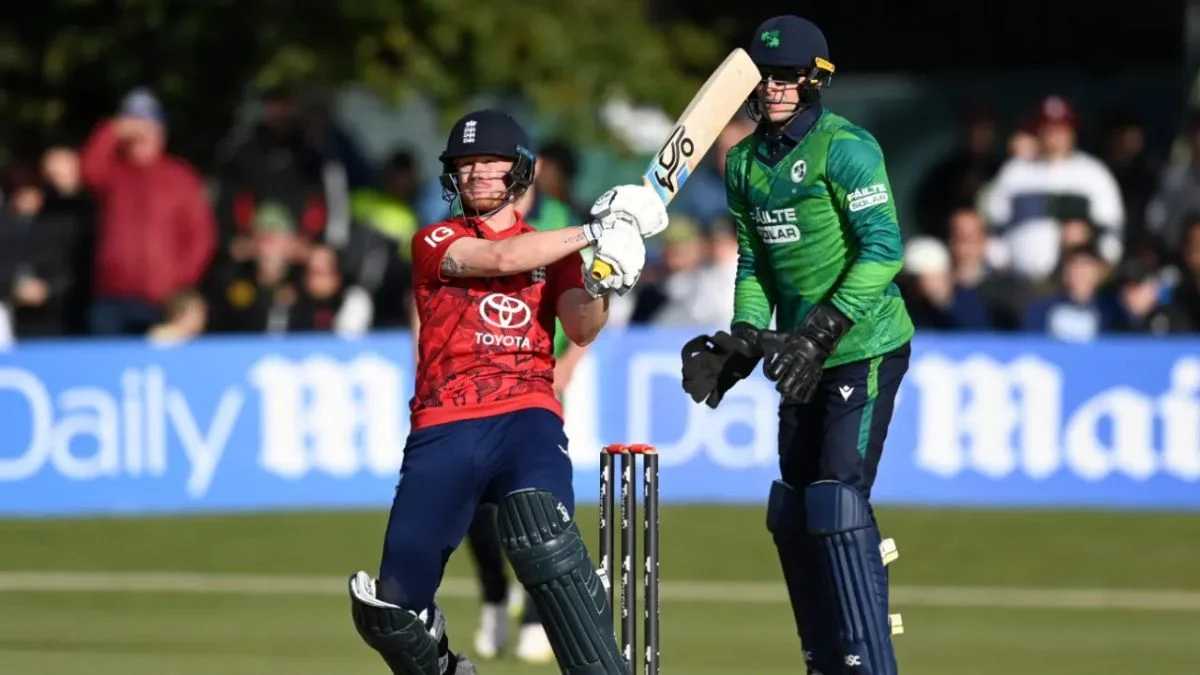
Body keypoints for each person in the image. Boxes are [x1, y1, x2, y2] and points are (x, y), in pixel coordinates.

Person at [346, 108, 668, 675]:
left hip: (526, 415)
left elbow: (584, 326)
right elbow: (500, 258)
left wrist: (605, 278)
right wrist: (597, 230)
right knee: (392, 611)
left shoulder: (556, 252)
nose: (475, 174)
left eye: (489, 162)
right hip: (444, 422)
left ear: (519, 169)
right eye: (465, 164)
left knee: (546, 540)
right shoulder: (436, 238)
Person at [679, 16, 913, 675]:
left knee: (837, 498)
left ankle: (870, 663)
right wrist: (747, 336)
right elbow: (756, 263)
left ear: (815, 80)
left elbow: (884, 250)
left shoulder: (848, 148)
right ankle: (824, 659)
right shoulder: (743, 162)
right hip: (798, 355)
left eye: (787, 77)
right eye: (765, 77)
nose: (774, 89)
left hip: (864, 344)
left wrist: (820, 331)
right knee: (795, 508)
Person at [465, 161, 590, 665]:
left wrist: (568, 364)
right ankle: (495, 596)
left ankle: (538, 613)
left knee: (539, 493)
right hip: (478, 378)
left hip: (541, 377)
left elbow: (587, 296)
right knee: (477, 500)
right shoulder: (469, 219)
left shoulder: (560, 220)